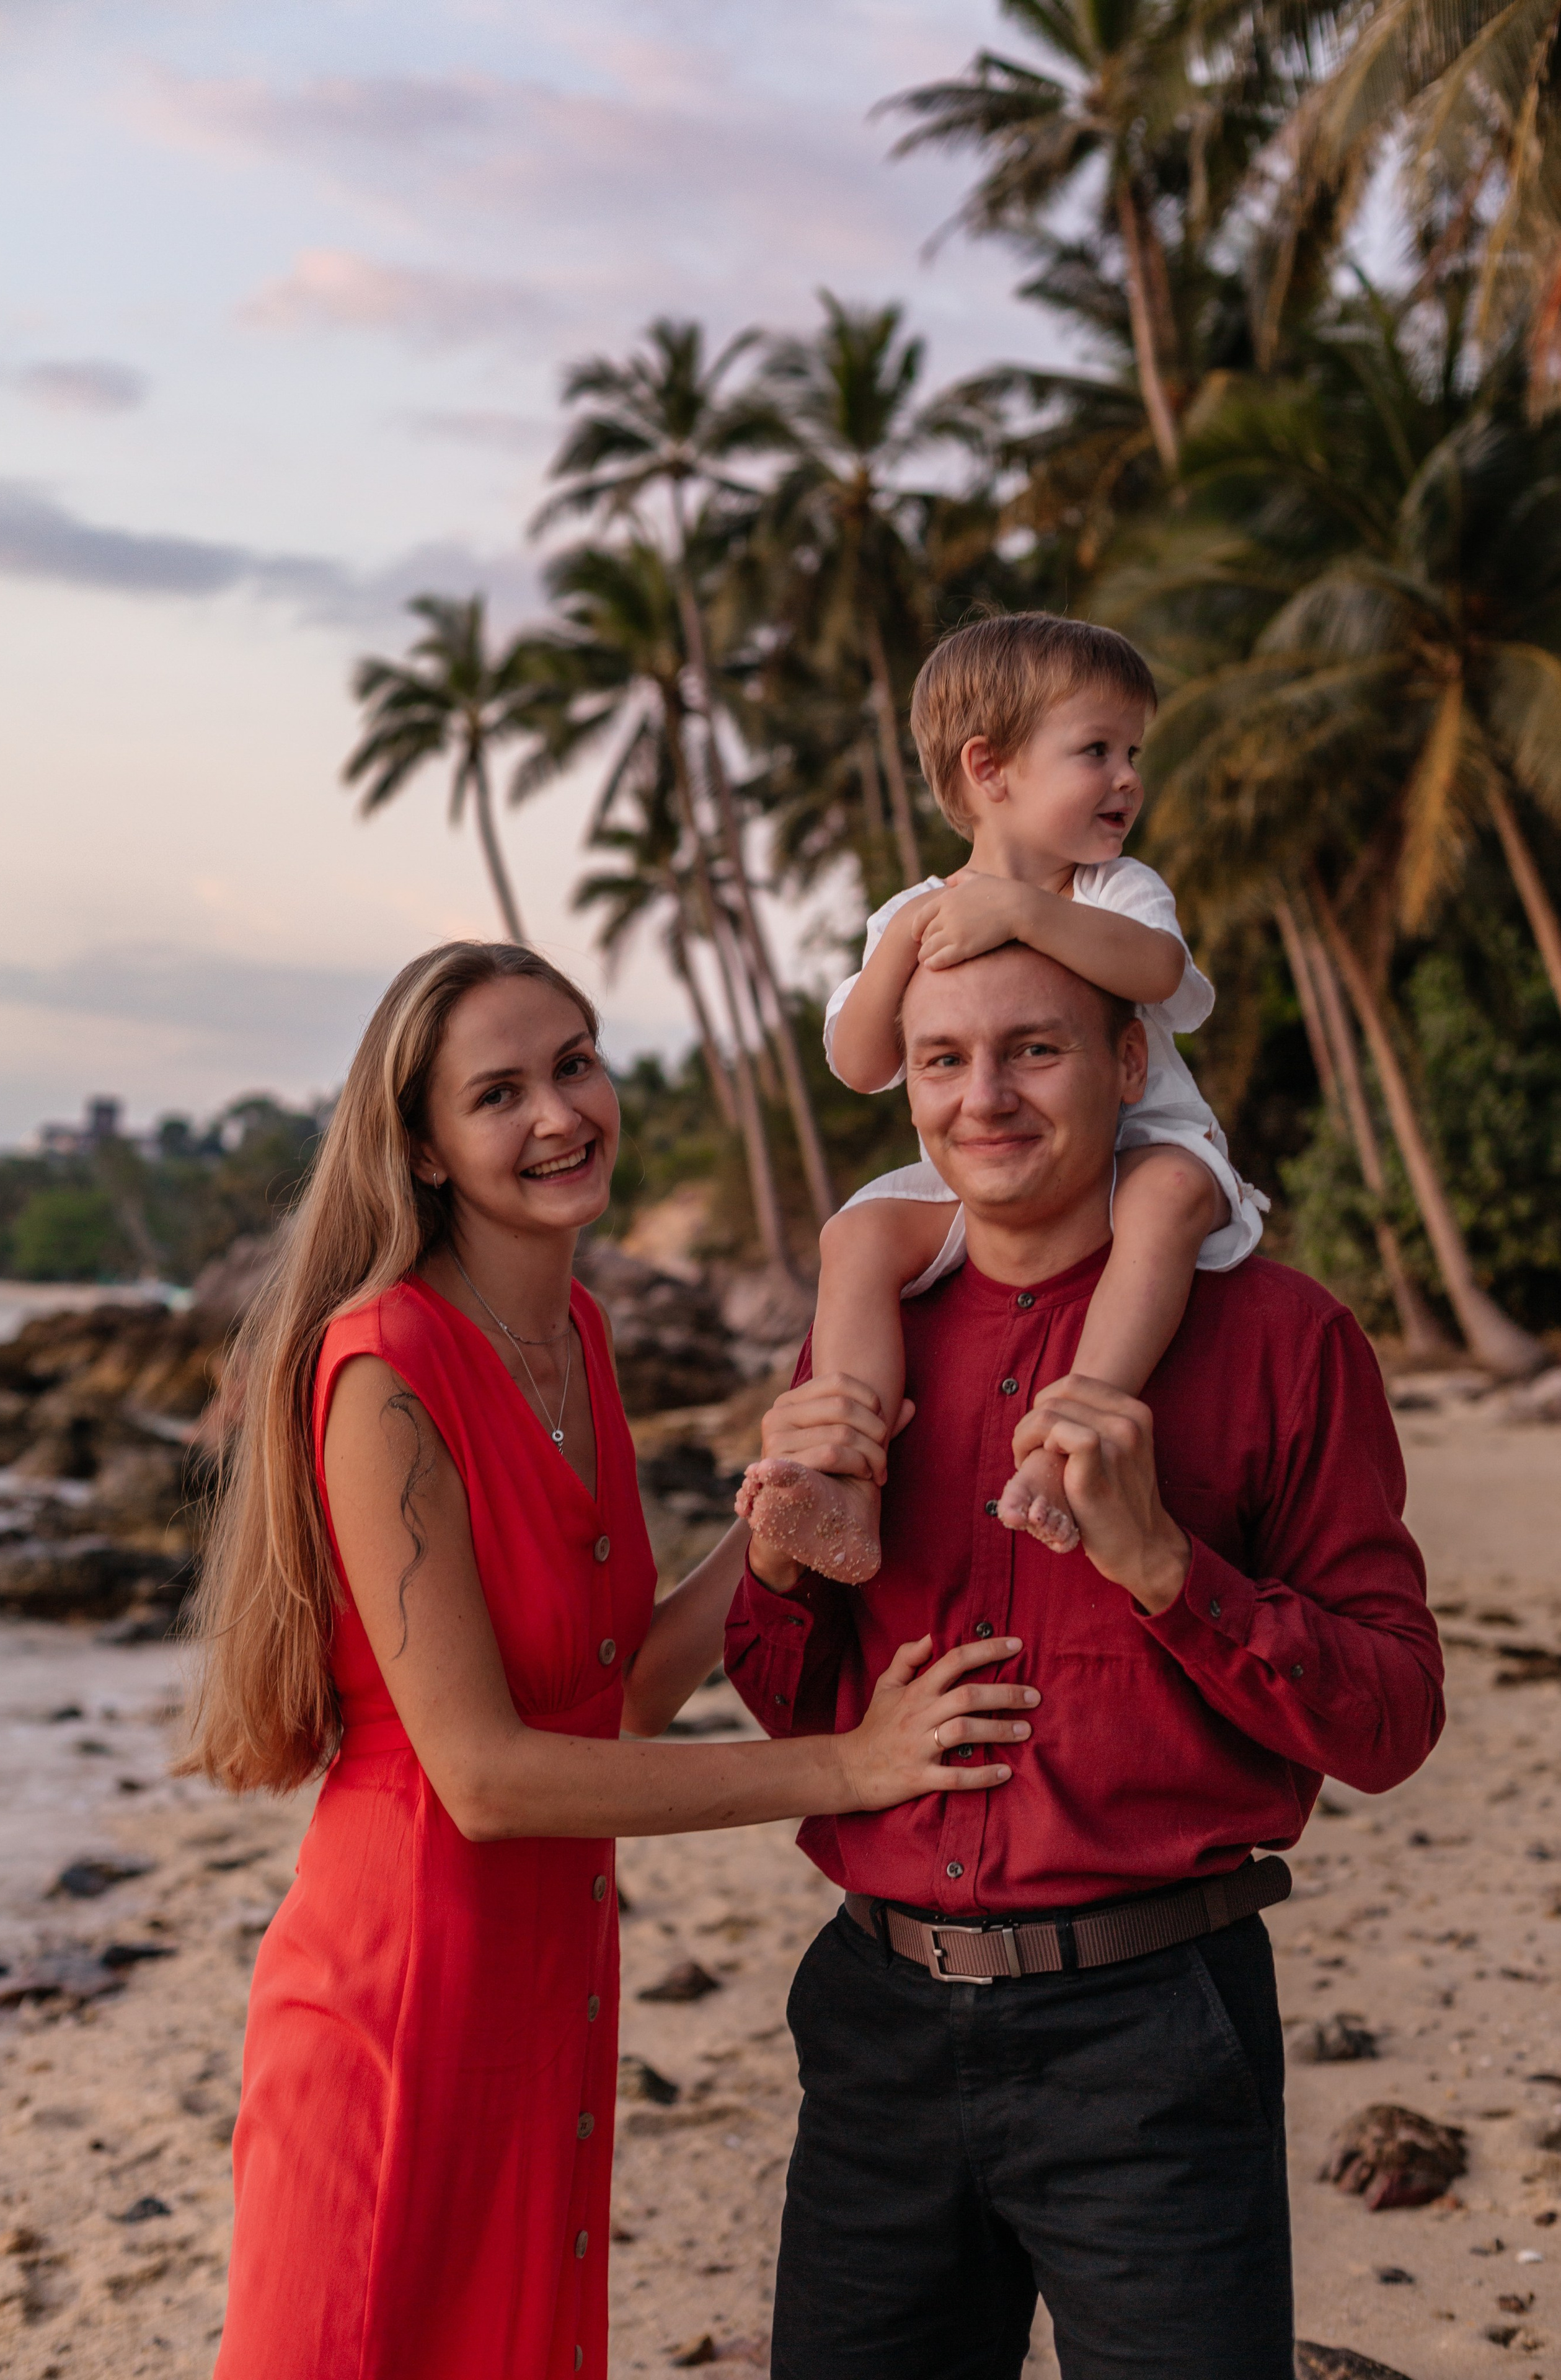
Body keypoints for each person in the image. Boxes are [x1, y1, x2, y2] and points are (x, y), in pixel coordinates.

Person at [177, 940, 1034, 2380]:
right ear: (427, 1149)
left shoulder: (573, 1329)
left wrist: (758, 1531)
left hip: (546, 1977)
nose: (558, 1114)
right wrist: (848, 1767)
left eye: (573, 1064)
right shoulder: (385, 1370)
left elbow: (614, 1695)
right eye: (498, 1093)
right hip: (401, 1998)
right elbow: (489, 1780)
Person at [726, 937, 1444, 2380]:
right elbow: (784, 1694)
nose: (981, 1098)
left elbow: (1391, 1718)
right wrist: (774, 1558)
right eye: (942, 1060)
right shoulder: (860, 1344)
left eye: (1033, 1051)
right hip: (874, 2027)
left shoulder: (1282, 1339)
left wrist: (1167, 1570)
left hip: (1149, 2035)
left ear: (1130, 1066)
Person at [736, 612, 1268, 1586]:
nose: (1127, 778)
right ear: (992, 770)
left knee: (1172, 1198)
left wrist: (1029, 912)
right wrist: (904, 943)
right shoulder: (913, 912)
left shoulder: (1114, 890)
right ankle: (846, 1472)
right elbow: (860, 1063)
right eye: (1096, 751)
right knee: (856, 1237)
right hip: (990, 1166)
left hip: (1140, 1139)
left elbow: (1158, 972)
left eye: (1133, 753)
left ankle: (1069, 1439)